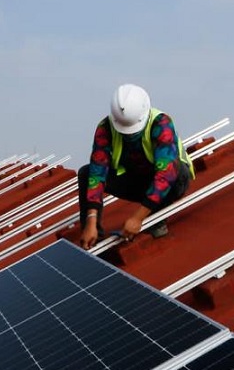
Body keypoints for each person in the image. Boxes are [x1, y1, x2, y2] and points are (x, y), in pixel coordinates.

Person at [78, 84, 195, 249]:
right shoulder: (105, 128)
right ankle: (91, 236)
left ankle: (156, 218)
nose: (130, 134)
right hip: (137, 182)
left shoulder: (161, 123)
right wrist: (91, 219)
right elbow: (97, 173)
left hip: (172, 183)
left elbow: (165, 175)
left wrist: (138, 218)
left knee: (176, 171)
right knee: (86, 172)